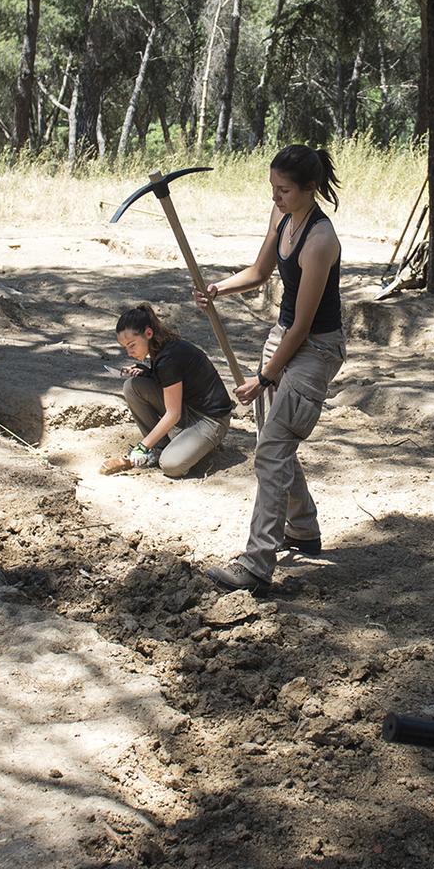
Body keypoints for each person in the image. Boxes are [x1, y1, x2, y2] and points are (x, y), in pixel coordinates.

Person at [193, 145, 345, 592]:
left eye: (284, 190)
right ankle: (303, 528)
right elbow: (260, 272)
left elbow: (304, 326)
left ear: (310, 188)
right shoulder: (283, 216)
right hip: (284, 336)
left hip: (316, 348)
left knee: (273, 449)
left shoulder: (321, 240)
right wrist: (218, 289)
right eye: (273, 188)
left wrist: (264, 377)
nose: (275, 197)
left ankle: (257, 565)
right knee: (272, 441)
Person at [110, 303, 234, 478]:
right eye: (125, 347)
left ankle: (193, 447)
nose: (129, 352)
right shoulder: (161, 347)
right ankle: (160, 447)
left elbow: (173, 414)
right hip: (189, 407)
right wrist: (146, 372)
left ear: (148, 333)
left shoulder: (168, 358)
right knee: (132, 387)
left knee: (170, 465)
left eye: (132, 345)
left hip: (211, 420)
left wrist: (142, 447)